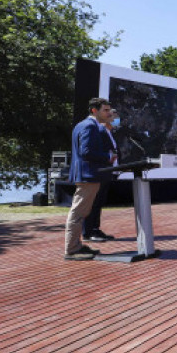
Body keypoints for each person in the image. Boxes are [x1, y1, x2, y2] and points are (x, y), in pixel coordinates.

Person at [63, 98, 116, 260]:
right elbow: (85, 152)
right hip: (88, 176)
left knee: (81, 212)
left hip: (87, 175)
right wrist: (108, 156)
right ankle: (72, 249)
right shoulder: (89, 126)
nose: (109, 114)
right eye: (105, 110)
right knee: (78, 212)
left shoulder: (83, 125)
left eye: (109, 110)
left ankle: (76, 246)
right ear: (94, 110)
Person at [82, 109, 120, 242]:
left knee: (99, 203)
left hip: (107, 172)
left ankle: (96, 229)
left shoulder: (109, 133)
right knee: (93, 203)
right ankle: (87, 232)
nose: (116, 120)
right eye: (114, 117)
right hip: (99, 172)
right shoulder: (100, 131)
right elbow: (94, 152)